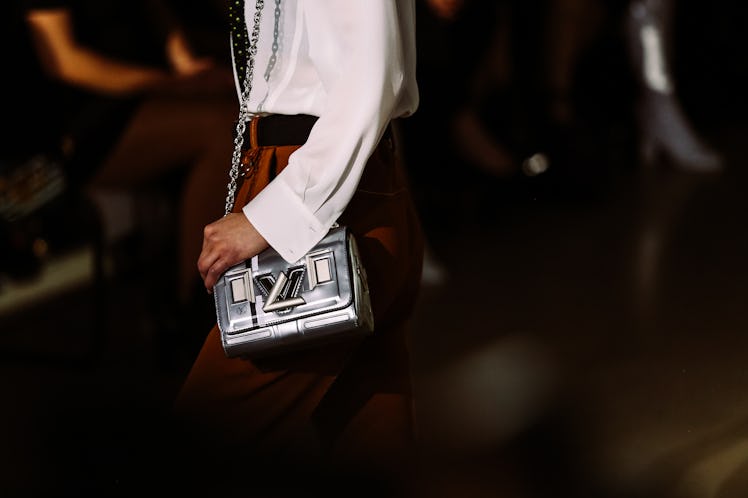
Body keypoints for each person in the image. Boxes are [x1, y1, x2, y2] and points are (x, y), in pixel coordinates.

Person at [170, 0, 425, 492]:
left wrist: (276, 214)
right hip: (333, 182)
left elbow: (369, 75)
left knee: (193, 450)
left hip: (316, 188)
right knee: (376, 457)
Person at [21, 0, 238, 349]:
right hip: (80, 126)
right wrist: (172, 85)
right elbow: (64, 61)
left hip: (143, 94)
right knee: (221, 130)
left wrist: (185, 64)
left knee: (240, 105)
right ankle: (196, 311)